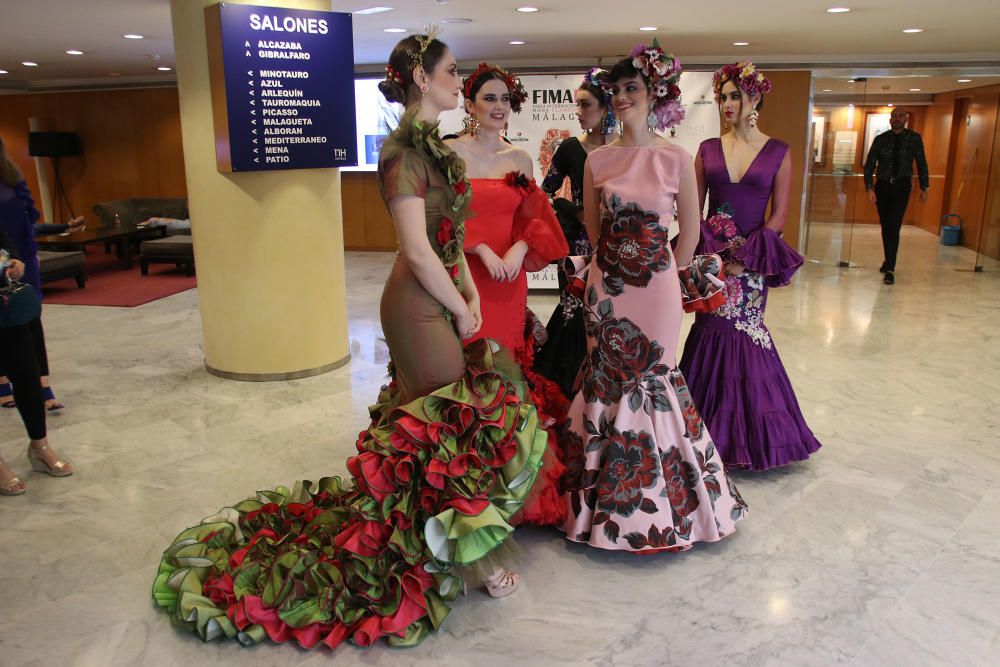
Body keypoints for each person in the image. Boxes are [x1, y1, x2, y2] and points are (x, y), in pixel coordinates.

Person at [151, 32, 549, 652]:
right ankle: (473, 562)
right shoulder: (400, 154)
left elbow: (451, 237)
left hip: (443, 293)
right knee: (453, 425)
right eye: (449, 70)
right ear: (421, 77)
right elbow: (416, 251)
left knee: (445, 429)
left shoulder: (437, 152)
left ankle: (429, 540)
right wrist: (457, 303)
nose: (457, 78)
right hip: (416, 306)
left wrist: (470, 293)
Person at [561, 42, 747, 554]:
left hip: (658, 288)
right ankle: (600, 508)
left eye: (631, 89)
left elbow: (689, 229)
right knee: (606, 376)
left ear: (653, 94)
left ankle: (671, 509)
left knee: (657, 380)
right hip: (608, 289)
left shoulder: (676, 157)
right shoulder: (597, 159)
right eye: (615, 90)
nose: (620, 98)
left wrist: (667, 270)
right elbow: (595, 231)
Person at [678, 61, 822, 472]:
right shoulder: (707, 149)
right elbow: (695, 210)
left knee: (746, 334)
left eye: (735, 95)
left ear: (755, 97)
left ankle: (753, 437)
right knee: (709, 331)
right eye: (722, 96)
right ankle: (702, 433)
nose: (727, 103)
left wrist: (743, 259)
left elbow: (779, 216)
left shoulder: (778, 151)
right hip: (713, 262)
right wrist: (715, 259)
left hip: (753, 262)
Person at [445, 63, 569, 526]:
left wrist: (518, 247)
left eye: (504, 99)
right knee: (468, 368)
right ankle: (465, 480)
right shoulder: (450, 154)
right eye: (488, 99)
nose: (498, 107)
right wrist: (476, 246)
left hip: (508, 281)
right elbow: (441, 224)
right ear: (469, 104)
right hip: (465, 277)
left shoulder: (519, 159)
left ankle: (510, 484)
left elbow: (535, 218)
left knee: (510, 373)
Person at [533, 68, 616, 398]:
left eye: (586, 105)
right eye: (577, 105)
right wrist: (575, 211)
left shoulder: (623, 150)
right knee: (572, 310)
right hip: (578, 244)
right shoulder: (569, 148)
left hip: (615, 244)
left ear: (605, 107)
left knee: (607, 311)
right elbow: (544, 192)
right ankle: (564, 386)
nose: (578, 112)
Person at [0, 229, 73, 496]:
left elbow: (3, 240)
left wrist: (14, 260)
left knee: (28, 376)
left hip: (6, 306)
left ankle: (39, 446)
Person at [0, 136, 65, 411]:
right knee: (3, 323)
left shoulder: (12, 178)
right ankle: (3, 382)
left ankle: (42, 383)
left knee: (31, 319)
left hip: (23, 259)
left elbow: (29, 221)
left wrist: (29, 253)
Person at [863, 106, 929, 285]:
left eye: (900, 116)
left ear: (906, 118)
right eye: (894, 116)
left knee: (894, 225)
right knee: (886, 225)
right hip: (883, 187)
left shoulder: (914, 139)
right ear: (890, 120)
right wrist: (869, 188)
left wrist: (924, 187)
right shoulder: (881, 139)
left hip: (901, 187)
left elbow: (922, 163)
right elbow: (869, 166)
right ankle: (888, 259)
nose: (897, 119)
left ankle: (890, 268)